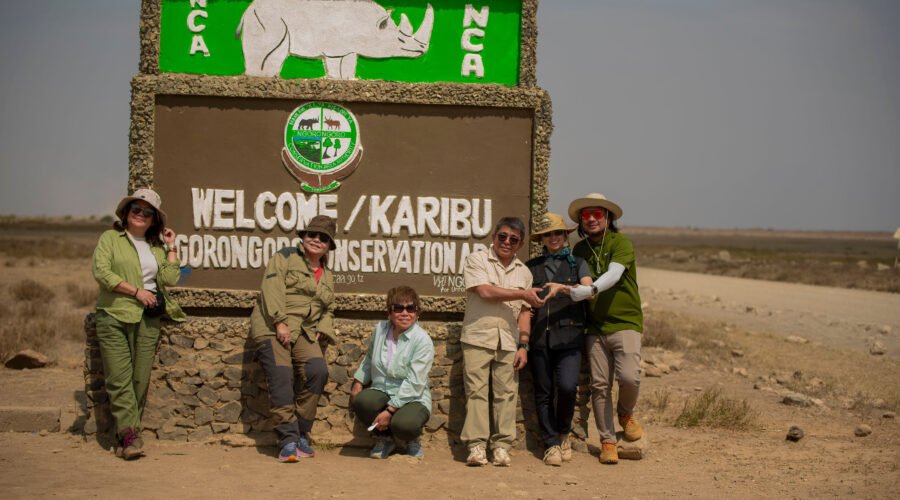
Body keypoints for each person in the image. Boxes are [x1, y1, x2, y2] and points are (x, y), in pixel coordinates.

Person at [92, 188, 186, 460]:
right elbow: (102, 272)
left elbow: (169, 280)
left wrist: (171, 247)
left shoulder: (156, 247)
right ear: (126, 212)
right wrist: (136, 292)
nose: (141, 215)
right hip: (115, 314)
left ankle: (126, 435)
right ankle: (131, 435)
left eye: (148, 212)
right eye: (137, 210)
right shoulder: (110, 238)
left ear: (154, 219)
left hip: (148, 319)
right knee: (119, 378)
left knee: (139, 379)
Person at [250, 215, 337, 463]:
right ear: (303, 236)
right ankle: (287, 441)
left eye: (323, 237)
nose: (316, 240)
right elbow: (272, 288)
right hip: (271, 325)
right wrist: (279, 321)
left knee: (317, 371)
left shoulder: (328, 275)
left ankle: (301, 432)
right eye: (312, 234)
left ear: (329, 245)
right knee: (281, 376)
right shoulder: (285, 256)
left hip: (304, 331)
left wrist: (324, 325)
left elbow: (329, 308)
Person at [460, 216, 545, 467]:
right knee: (476, 392)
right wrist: (522, 293)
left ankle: (501, 447)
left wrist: (524, 344)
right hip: (478, 335)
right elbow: (485, 291)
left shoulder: (524, 273)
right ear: (493, 236)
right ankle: (476, 446)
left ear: (520, 244)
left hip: (509, 341)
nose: (507, 242)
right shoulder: (477, 260)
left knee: (506, 394)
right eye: (503, 236)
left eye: (514, 239)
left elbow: (525, 312)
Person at [567, 193, 644, 465]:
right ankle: (607, 441)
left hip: (625, 322)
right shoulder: (579, 250)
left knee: (630, 377)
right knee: (600, 385)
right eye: (585, 215)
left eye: (597, 214)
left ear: (608, 218)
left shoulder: (620, 242)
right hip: (594, 327)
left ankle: (625, 412)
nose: (590, 219)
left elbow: (613, 273)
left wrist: (592, 289)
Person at [524, 213, 594, 466]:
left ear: (565, 235)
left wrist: (562, 288)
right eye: (547, 234)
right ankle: (551, 444)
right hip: (539, 338)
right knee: (543, 392)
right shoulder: (531, 267)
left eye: (557, 233)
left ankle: (564, 432)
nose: (553, 238)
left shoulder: (578, 264)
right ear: (542, 238)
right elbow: (524, 302)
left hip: (570, 336)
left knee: (566, 387)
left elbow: (588, 292)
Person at [350, 286, 435, 459]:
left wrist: (389, 412)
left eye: (410, 308)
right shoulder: (380, 330)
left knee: (405, 424)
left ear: (417, 312)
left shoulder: (422, 341)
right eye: (398, 308)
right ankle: (384, 438)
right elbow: (369, 358)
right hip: (383, 390)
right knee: (362, 401)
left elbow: (414, 383)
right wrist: (358, 382)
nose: (405, 313)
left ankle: (411, 439)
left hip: (413, 396)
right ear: (390, 312)